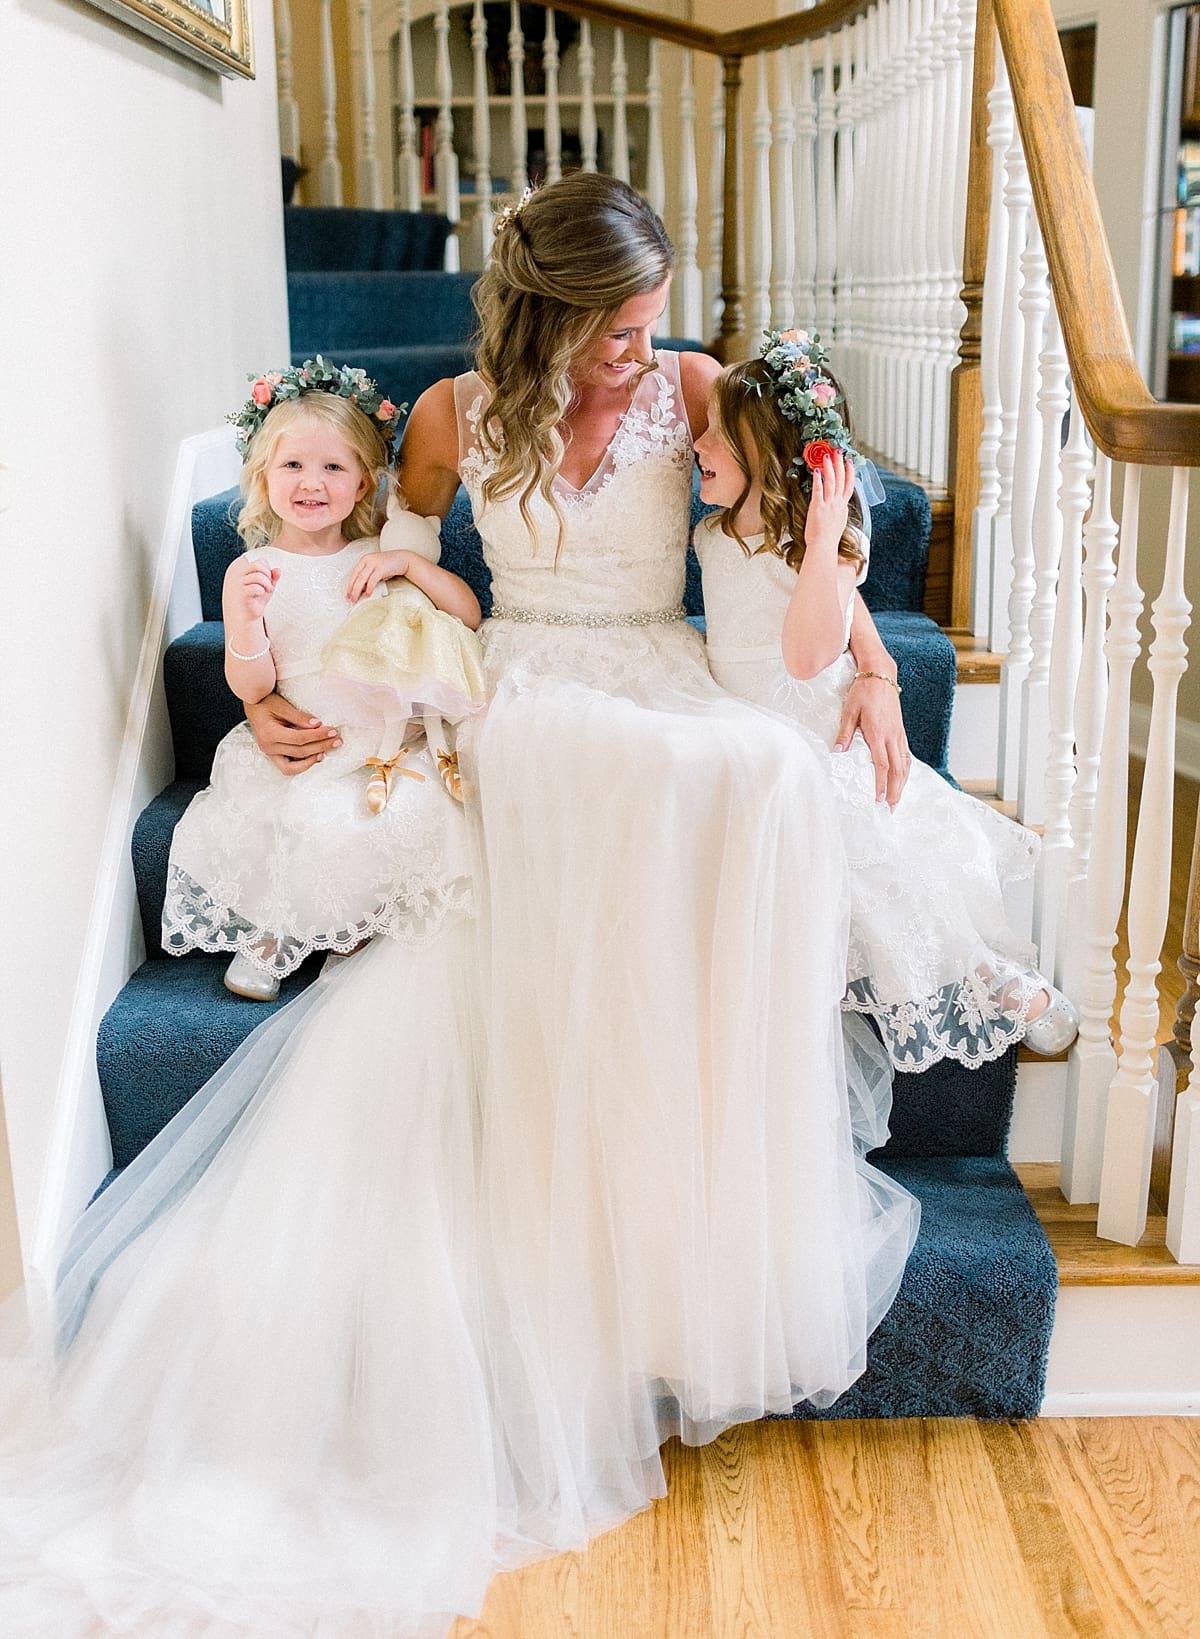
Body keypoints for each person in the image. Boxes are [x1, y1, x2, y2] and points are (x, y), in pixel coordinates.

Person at [0, 180, 918, 1635]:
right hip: (526, 674)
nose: (644, 343)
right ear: (548, 314)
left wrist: (867, 664)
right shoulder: (451, 416)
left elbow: (789, 526)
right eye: (615, 325)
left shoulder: (691, 389)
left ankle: (694, 1125)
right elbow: (381, 578)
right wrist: (295, 683)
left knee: (749, 769)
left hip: (660, 656)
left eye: (651, 316)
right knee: (583, 758)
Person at [693, 332, 1079, 1068]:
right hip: (749, 729)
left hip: (816, 732)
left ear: (768, 460)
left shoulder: (825, 548)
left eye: (718, 432)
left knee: (876, 870)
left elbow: (808, 655)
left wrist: (821, 540)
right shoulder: (715, 532)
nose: (698, 441)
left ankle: (986, 974)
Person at [162, 363, 483, 1001]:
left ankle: (345, 924)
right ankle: (276, 933)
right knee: (303, 815)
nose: (313, 483)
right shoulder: (253, 569)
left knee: (391, 818)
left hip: (380, 745)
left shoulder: (375, 558)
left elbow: (468, 615)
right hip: (311, 745)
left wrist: (411, 564)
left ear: (365, 479)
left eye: (334, 468)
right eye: (293, 467)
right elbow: (250, 685)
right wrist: (248, 621)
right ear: (261, 478)